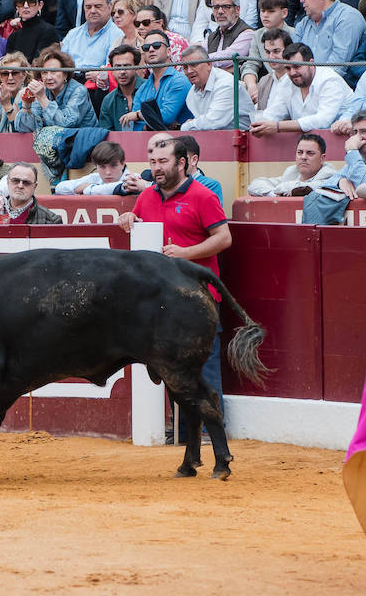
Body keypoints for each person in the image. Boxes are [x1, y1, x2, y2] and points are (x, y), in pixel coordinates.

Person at [117, 134, 230, 417]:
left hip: (199, 294)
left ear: (181, 163)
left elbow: (224, 237)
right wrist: (129, 218)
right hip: (162, 296)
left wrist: (186, 253)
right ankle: (181, 427)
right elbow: (140, 224)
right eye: (153, 161)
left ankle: (210, 427)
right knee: (167, 362)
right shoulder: (146, 196)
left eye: (163, 161)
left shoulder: (203, 195)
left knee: (205, 362)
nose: (156, 167)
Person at [250, 42, 351, 135]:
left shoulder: (329, 80)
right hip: (308, 143)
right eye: (288, 68)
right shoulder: (286, 81)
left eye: (297, 66)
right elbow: (275, 112)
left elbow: (323, 120)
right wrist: (260, 125)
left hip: (342, 140)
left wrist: (277, 126)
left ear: (311, 63)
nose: (292, 72)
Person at [179, 43, 252, 130]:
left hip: (245, 138)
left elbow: (214, 122)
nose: (189, 71)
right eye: (185, 67)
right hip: (214, 137)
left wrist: (187, 126)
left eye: (194, 65)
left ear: (209, 64)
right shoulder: (191, 93)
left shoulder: (225, 84)